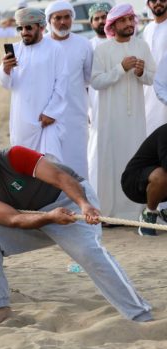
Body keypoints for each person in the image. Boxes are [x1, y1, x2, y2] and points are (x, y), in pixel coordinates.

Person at [0, 132, 153, 323]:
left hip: (70, 201)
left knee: (88, 252)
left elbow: (60, 178)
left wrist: (84, 204)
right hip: (35, 219)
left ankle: (140, 315)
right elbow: (14, 219)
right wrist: (49, 217)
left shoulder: (14, 156)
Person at [91, 4, 156, 220]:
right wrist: (121, 68)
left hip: (135, 118)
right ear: (113, 25)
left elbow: (153, 78)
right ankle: (110, 213)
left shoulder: (142, 46)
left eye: (131, 19)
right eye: (123, 20)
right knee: (111, 162)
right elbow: (96, 81)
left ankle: (134, 213)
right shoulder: (102, 50)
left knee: (134, 160)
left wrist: (141, 72)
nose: (129, 24)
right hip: (110, 119)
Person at [0, 8, 68, 161]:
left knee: (50, 161)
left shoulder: (55, 49)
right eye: (20, 28)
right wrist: (6, 69)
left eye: (28, 27)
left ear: (41, 27)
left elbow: (62, 83)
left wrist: (51, 112)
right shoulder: (15, 50)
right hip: (21, 118)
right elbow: (5, 83)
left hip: (46, 119)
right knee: (24, 161)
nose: (24, 32)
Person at [44, 1, 94, 179]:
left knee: (78, 161)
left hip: (75, 113)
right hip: (47, 117)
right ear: (49, 21)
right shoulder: (42, 44)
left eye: (67, 17)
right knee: (51, 163)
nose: (63, 22)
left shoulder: (83, 44)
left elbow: (89, 78)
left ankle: (80, 196)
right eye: (57, 18)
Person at [121, 124, 167, 236]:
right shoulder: (165, 132)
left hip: (160, 185)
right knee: (162, 175)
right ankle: (149, 214)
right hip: (134, 181)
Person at [86, 2, 112, 194]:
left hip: (120, 105)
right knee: (96, 149)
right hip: (95, 105)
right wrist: (87, 108)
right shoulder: (88, 46)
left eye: (105, 17)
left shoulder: (121, 42)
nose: (101, 21)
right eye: (97, 18)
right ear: (91, 22)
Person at [143, 0, 167, 136]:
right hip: (149, 89)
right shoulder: (147, 29)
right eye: (153, 0)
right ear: (148, 4)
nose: (158, 2)